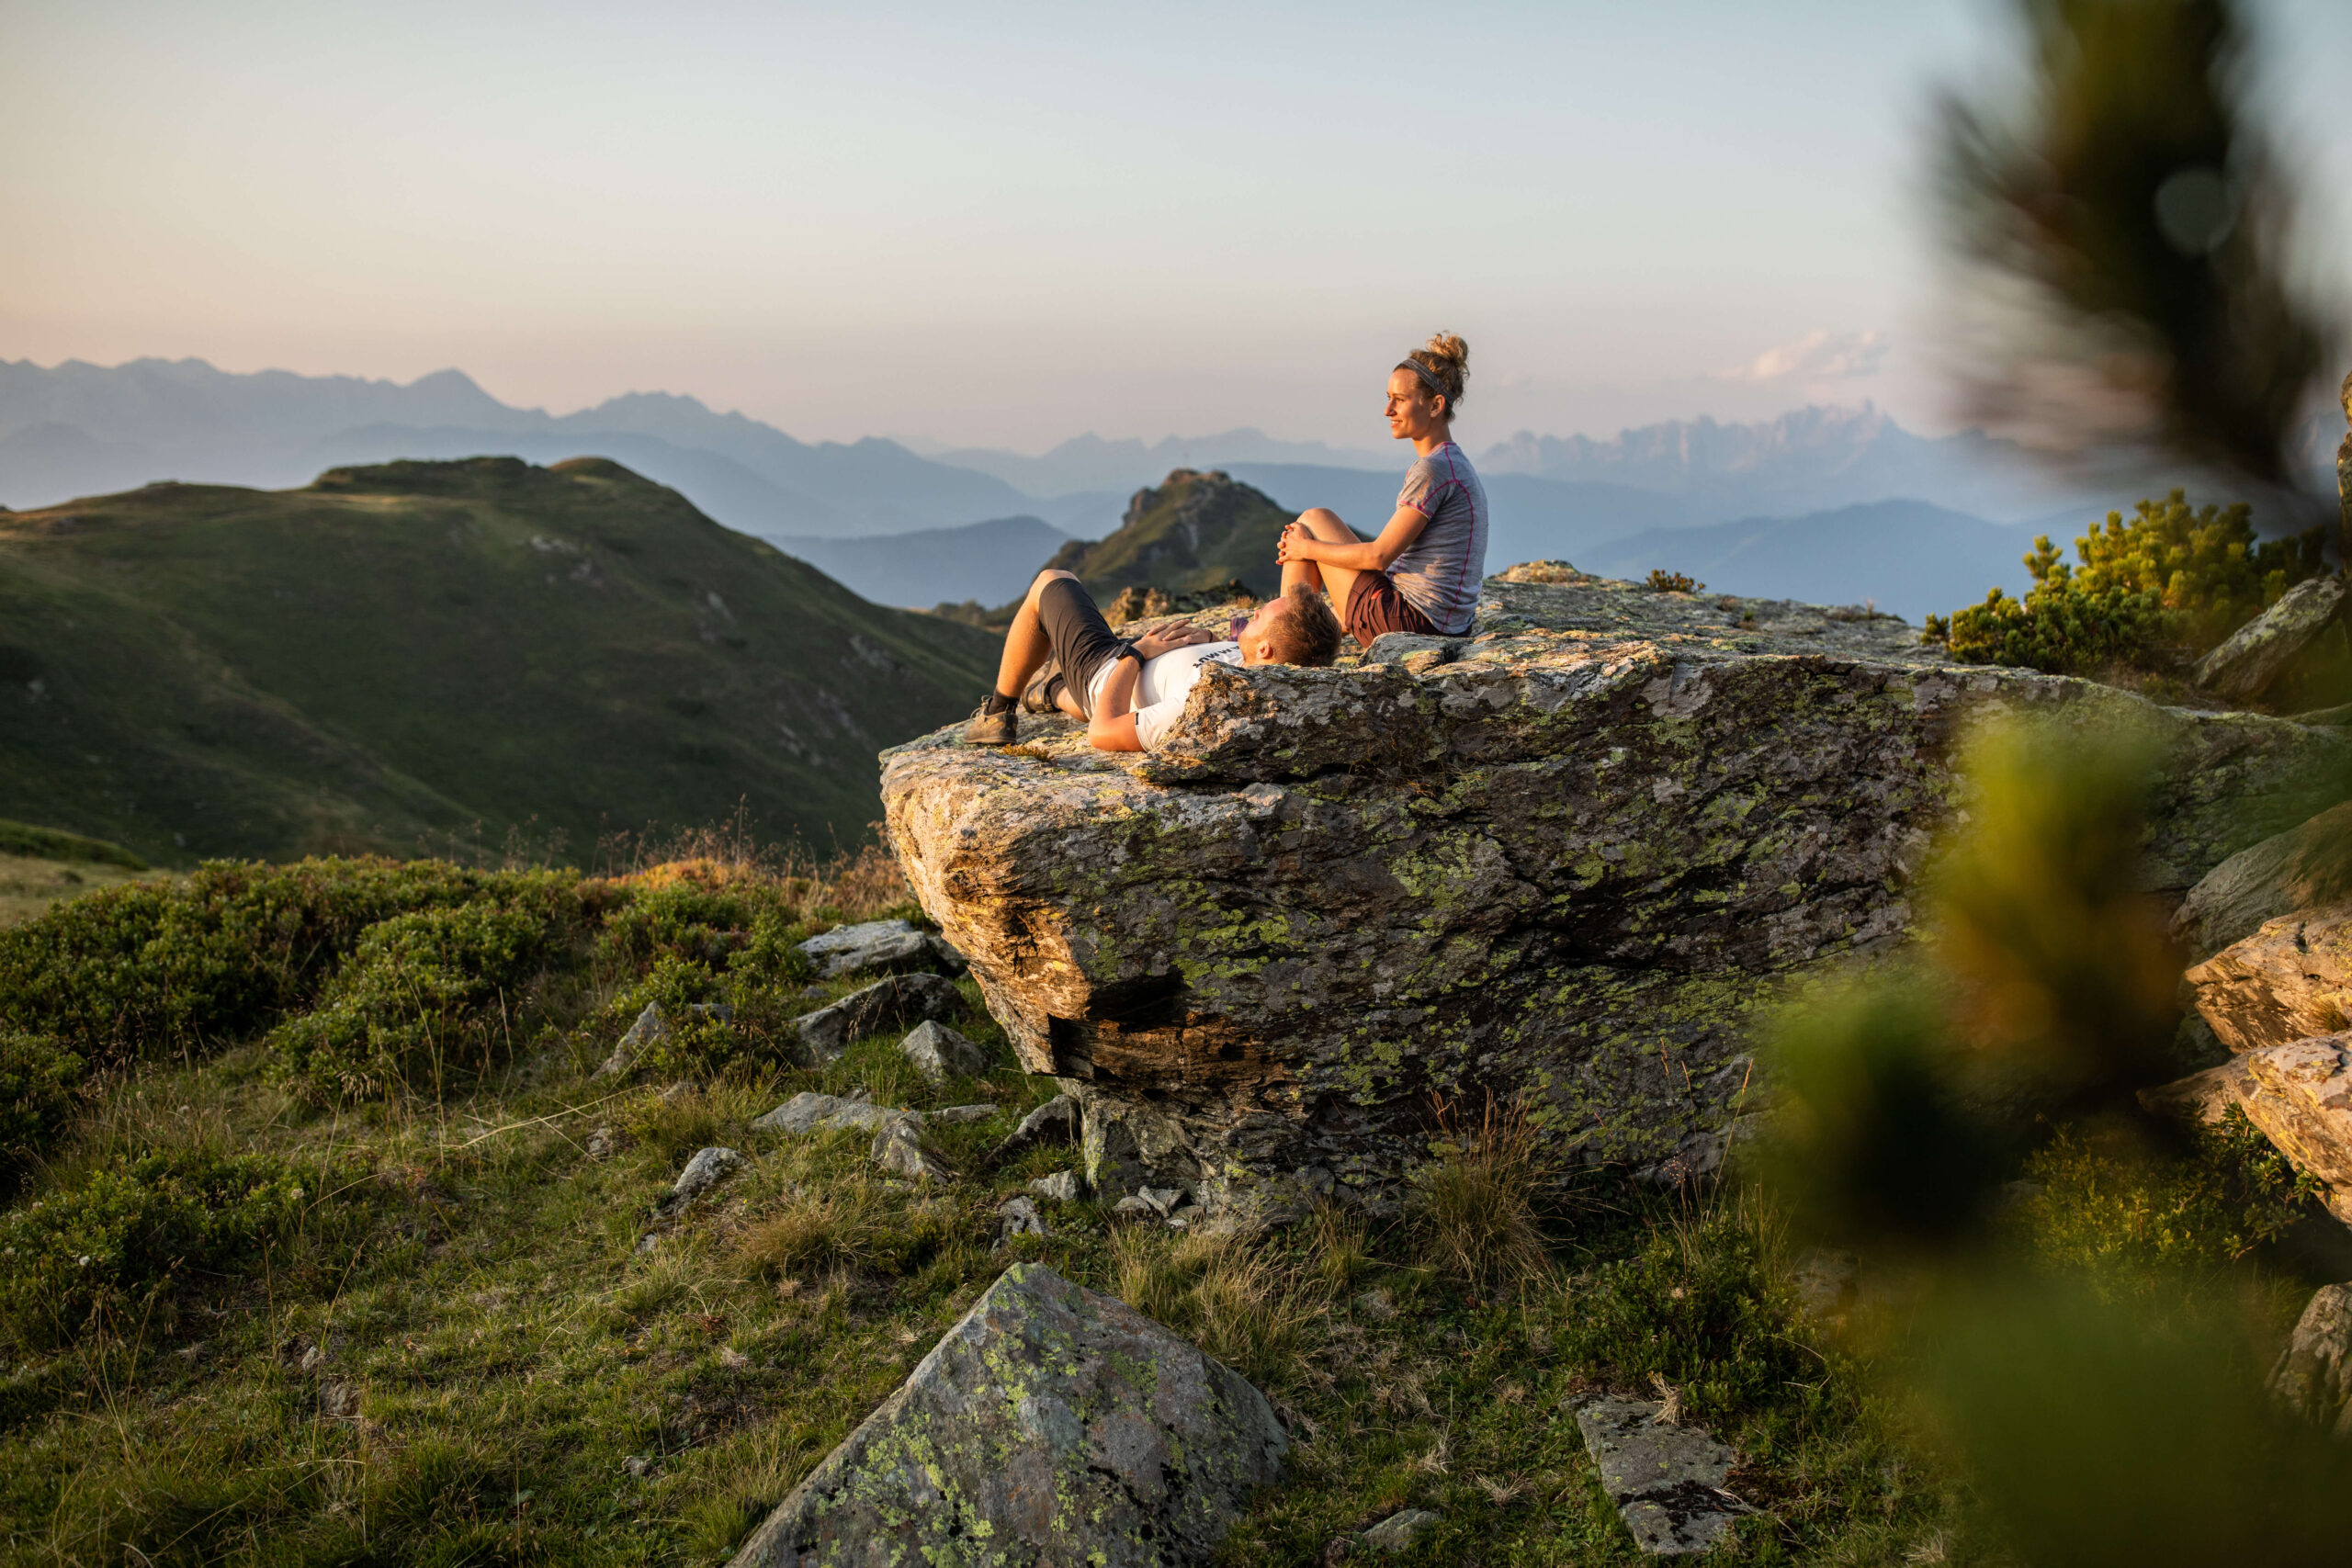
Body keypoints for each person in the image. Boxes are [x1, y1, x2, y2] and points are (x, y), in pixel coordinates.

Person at [964, 570, 1341, 750]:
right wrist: (1209, 639)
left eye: (1258, 618)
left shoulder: (1206, 706)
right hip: (1133, 661)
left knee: (1053, 582)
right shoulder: (1263, 668)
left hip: (1108, 669)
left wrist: (1136, 654)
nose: (1252, 614)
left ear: (1265, 651)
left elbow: (1103, 730)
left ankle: (997, 713)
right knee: (1066, 670)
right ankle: (1053, 690)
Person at [1276, 332, 1488, 648]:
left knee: (1310, 522)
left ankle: (1283, 646)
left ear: (1435, 405)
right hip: (1442, 624)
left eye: (1399, 400)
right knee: (1312, 528)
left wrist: (1304, 550)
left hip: (1412, 624)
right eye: (1388, 397)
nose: (1388, 410)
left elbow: (1379, 556)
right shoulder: (1452, 463)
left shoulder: (1433, 469)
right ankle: (1290, 636)